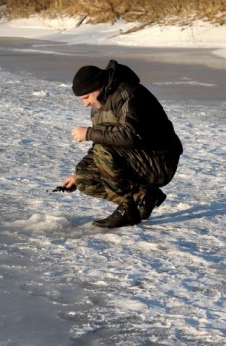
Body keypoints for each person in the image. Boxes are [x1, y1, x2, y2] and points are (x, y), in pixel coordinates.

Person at [60, 60, 182, 228]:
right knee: (84, 179)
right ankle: (144, 196)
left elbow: (129, 135)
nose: (85, 103)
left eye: (86, 97)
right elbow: (101, 142)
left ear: (97, 87)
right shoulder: (99, 105)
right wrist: (77, 173)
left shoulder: (128, 95)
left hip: (159, 161)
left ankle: (127, 209)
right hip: (135, 158)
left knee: (104, 149)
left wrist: (88, 133)